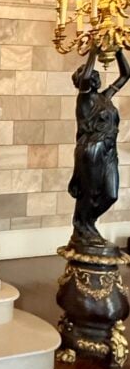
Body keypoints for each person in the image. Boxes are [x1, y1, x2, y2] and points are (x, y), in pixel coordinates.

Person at [68, 47, 130, 247]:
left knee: (110, 193)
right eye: (92, 74)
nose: (95, 77)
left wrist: (119, 51)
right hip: (91, 149)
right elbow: (85, 78)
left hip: (109, 150)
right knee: (90, 191)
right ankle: (82, 227)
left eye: (96, 75)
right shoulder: (84, 98)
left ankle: (87, 222)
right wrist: (93, 52)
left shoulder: (105, 97)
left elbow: (126, 75)